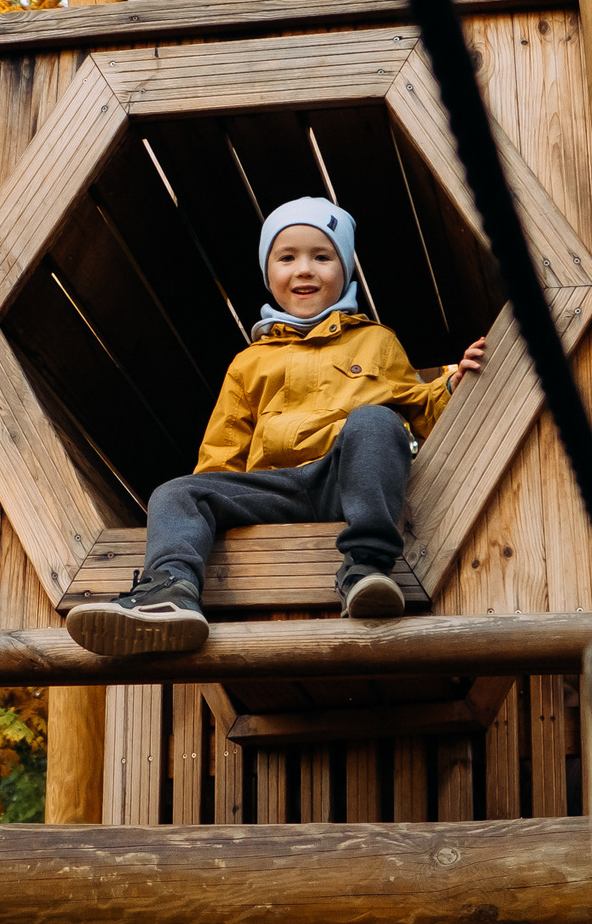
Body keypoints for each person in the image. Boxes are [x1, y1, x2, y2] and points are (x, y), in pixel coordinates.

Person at [66, 195, 484, 656]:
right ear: (269, 275)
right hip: (271, 491)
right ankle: (170, 590)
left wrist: (453, 385)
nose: (304, 269)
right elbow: (223, 448)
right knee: (176, 492)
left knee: (376, 423)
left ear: (344, 270)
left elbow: (419, 409)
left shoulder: (375, 341)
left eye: (322, 256)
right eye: (287, 257)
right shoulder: (249, 361)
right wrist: (207, 505)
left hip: (341, 482)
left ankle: (367, 566)